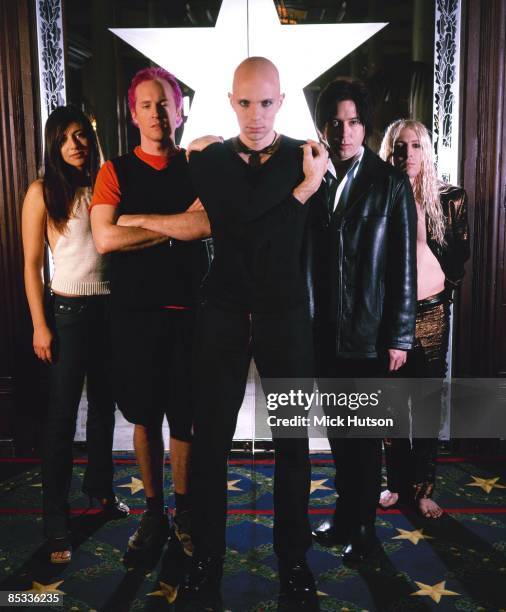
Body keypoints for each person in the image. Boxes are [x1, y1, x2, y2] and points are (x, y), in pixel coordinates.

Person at [183, 57, 327, 608]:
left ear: (282, 102)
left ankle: (292, 558)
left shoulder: (304, 156)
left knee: (294, 445)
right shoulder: (213, 158)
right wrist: (300, 193)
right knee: (211, 443)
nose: (255, 115)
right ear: (230, 100)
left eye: (266, 103)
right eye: (245, 103)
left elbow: (277, 245)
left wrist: (310, 186)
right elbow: (243, 227)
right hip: (221, 313)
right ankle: (207, 559)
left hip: (286, 314)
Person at [90, 67, 211, 563]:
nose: (157, 113)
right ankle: (154, 512)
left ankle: (184, 512)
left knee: (185, 419)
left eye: (165, 103)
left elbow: (207, 223)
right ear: (132, 112)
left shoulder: (198, 165)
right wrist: (175, 227)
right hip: (134, 316)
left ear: (180, 109)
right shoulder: (113, 170)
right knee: (144, 417)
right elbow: (105, 238)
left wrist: (138, 221)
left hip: (190, 313)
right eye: (147, 104)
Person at [309, 78, 417, 564]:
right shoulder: (315, 180)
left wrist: (399, 336)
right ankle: (346, 514)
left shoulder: (389, 184)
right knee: (338, 433)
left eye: (354, 123)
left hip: (372, 337)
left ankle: (366, 529)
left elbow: (403, 268)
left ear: (366, 127)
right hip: (325, 334)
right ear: (324, 126)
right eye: (336, 123)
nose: (345, 132)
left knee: (365, 438)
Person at [22, 105, 129, 564]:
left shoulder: (106, 183)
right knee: (62, 418)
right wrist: (40, 325)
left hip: (109, 311)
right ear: (53, 144)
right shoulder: (42, 191)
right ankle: (56, 518)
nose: (75, 144)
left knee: (105, 408)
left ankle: (101, 491)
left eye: (81, 135)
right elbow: (30, 265)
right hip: (65, 312)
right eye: (65, 137)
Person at [378, 119, 470, 518]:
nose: (407, 154)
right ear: (388, 151)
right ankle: (395, 483)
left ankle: (424, 488)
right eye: (399, 146)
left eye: (415, 146)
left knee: (428, 404)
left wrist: (440, 283)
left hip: (432, 311)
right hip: (390, 317)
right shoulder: (378, 194)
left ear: (426, 151)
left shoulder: (449, 198)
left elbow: (458, 255)